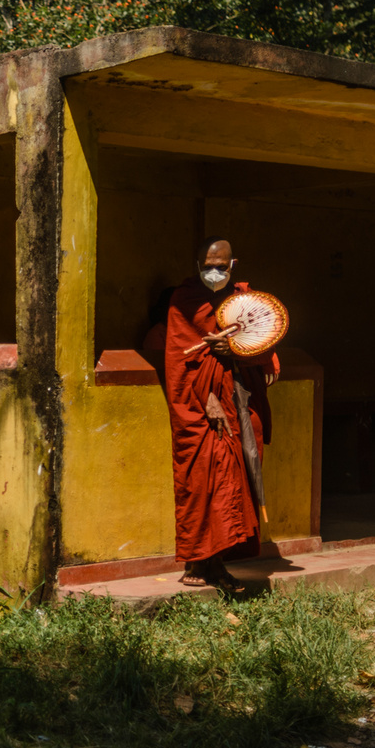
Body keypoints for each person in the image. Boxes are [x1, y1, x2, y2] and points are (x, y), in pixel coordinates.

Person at [144, 238, 280, 590]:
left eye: (220, 265)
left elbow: (262, 342)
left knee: (236, 479)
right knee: (203, 479)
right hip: (202, 406)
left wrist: (233, 348)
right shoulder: (184, 300)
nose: (214, 272)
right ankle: (199, 560)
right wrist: (207, 400)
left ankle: (216, 564)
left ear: (233, 263)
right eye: (207, 265)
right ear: (197, 264)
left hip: (239, 401)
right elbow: (180, 360)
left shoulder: (244, 300)